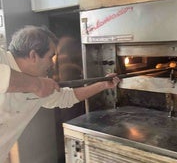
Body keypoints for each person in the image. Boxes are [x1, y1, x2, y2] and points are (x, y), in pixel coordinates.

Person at [0, 25, 120, 162]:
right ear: (33, 55)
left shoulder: (37, 81)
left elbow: (65, 97)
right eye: (50, 57)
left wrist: (103, 85)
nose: (52, 64)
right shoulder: (2, 59)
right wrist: (36, 85)